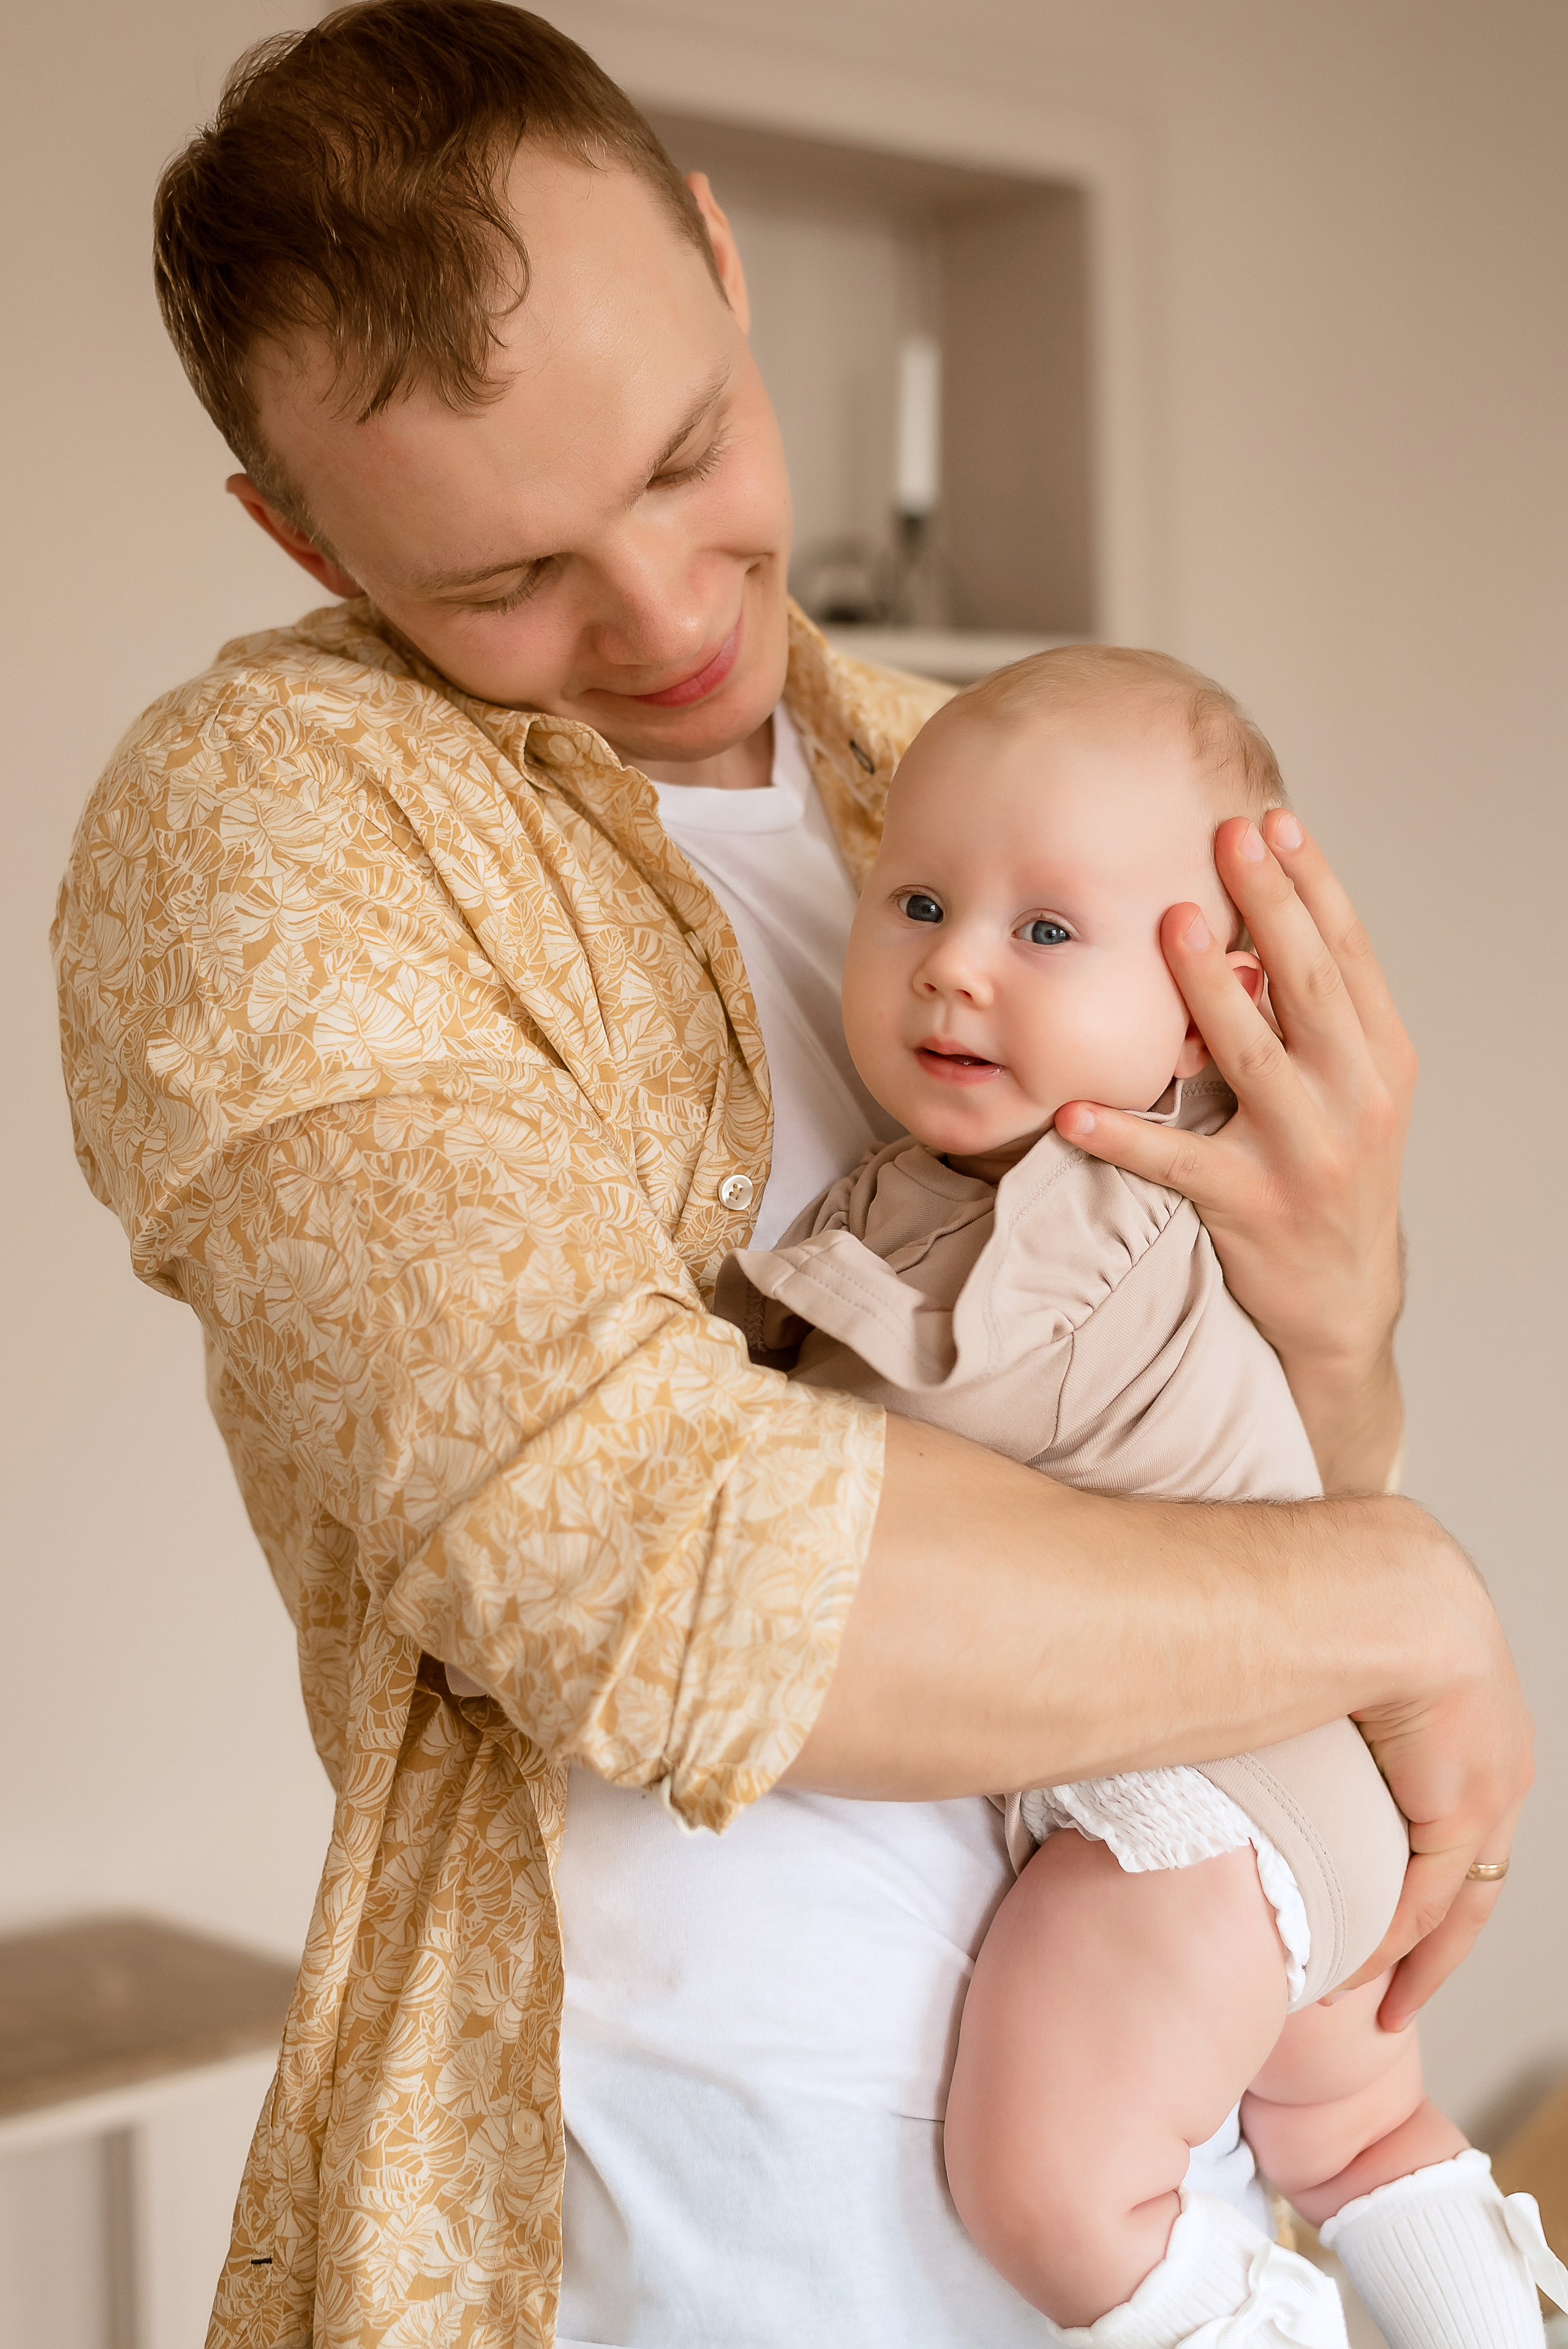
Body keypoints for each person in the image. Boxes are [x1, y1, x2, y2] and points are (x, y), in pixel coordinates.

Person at [49, 4, 1530, 2344]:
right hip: (697, 2255)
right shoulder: (275, 823)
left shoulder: (969, 793)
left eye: (687, 452)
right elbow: (631, 1556)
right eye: (503, 575)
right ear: (302, 532)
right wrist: (1408, 1593)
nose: (653, 611)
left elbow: (1223, 1446)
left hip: (1164, 2184)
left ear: (725, 266)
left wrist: (1341, 1302)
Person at [722, 646, 1567, 2349]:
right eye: (915, 900)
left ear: (1213, 1003)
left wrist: (741, 1340)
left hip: (1192, 1799)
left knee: (1044, 2186)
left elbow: (896, 1432)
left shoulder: (1089, 1197)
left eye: (1046, 932)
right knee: (1354, 2124)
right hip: (1290, 1769)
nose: (953, 967)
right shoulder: (1029, 1178)